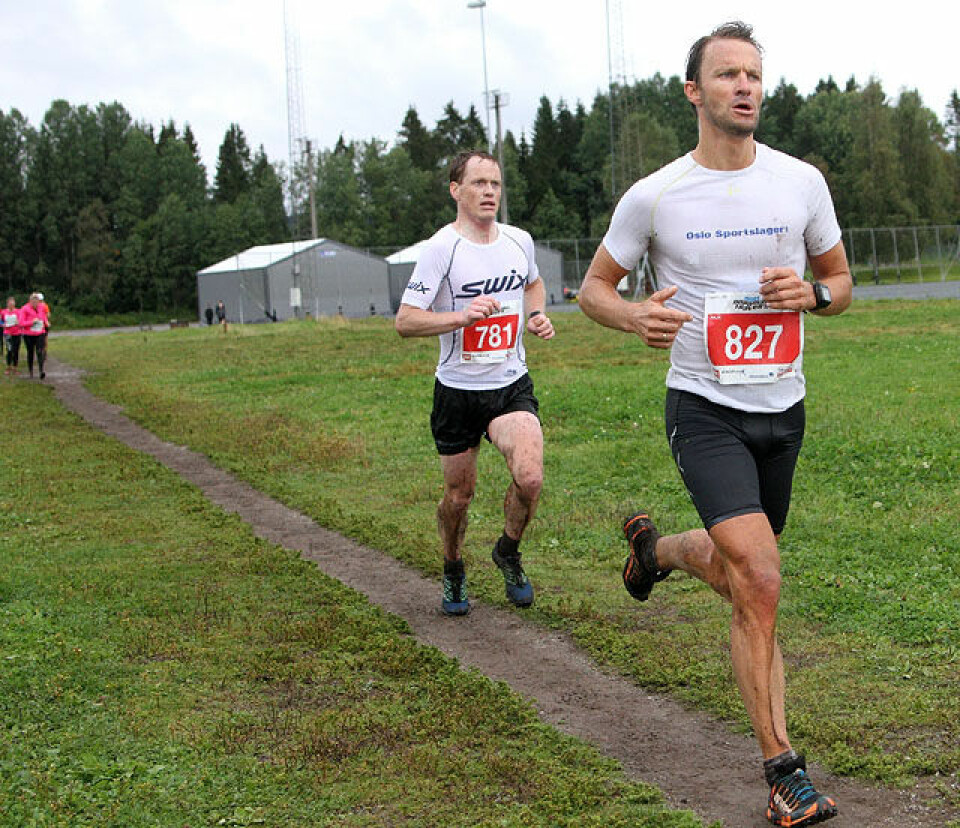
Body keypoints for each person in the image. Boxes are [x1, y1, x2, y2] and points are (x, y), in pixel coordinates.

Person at [578, 22, 851, 827]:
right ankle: (782, 771)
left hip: (782, 409)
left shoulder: (800, 182)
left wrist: (816, 297)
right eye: (727, 75)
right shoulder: (656, 195)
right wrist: (633, 319)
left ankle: (655, 551)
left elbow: (839, 279)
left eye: (754, 75)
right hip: (703, 409)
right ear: (694, 93)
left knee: (743, 576)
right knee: (760, 580)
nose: (745, 87)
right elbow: (593, 288)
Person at [395, 149, 555, 616]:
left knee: (529, 476)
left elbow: (533, 284)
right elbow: (405, 321)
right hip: (457, 392)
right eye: (479, 183)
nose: (489, 193)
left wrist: (538, 313)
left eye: (496, 184)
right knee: (459, 497)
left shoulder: (519, 241)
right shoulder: (442, 249)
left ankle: (507, 551)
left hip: (509, 383)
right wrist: (461, 316)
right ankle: (452, 567)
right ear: (456, 190)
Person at [19, 293, 50, 380]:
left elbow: (43, 316)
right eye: (33, 301)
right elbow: (21, 323)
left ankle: (41, 371)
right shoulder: (24, 309)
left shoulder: (42, 307)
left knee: (40, 351)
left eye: (37, 301)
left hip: (40, 333)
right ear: (30, 301)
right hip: (28, 334)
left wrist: (46, 322)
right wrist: (31, 322)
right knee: (30, 352)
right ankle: (30, 371)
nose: (35, 303)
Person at [3, 297, 22, 376]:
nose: (11, 305)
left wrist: (19, 322)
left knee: (16, 351)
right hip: (8, 333)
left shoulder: (18, 311)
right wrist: (2, 324)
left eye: (13, 304)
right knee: (9, 350)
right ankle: (8, 367)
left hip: (17, 333)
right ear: (7, 304)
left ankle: (15, 368)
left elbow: (21, 320)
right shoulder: (3, 312)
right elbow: (1, 321)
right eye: (10, 304)